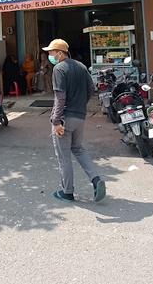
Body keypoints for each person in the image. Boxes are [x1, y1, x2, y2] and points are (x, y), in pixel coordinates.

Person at [43, 39, 106, 202]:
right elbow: (91, 90)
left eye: (51, 52)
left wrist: (56, 121)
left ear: (60, 53)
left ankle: (67, 192)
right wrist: (80, 106)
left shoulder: (59, 69)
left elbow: (60, 98)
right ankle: (96, 179)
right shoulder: (81, 66)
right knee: (78, 149)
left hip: (64, 119)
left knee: (64, 156)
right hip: (80, 117)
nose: (49, 55)